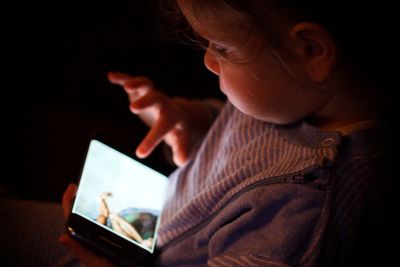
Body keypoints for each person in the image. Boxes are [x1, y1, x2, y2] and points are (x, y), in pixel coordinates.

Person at [6, 0, 397, 266]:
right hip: (152, 219)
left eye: (222, 48)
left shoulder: (304, 218)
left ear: (311, 50)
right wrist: (190, 121)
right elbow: (241, 129)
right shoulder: (294, 96)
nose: (208, 61)